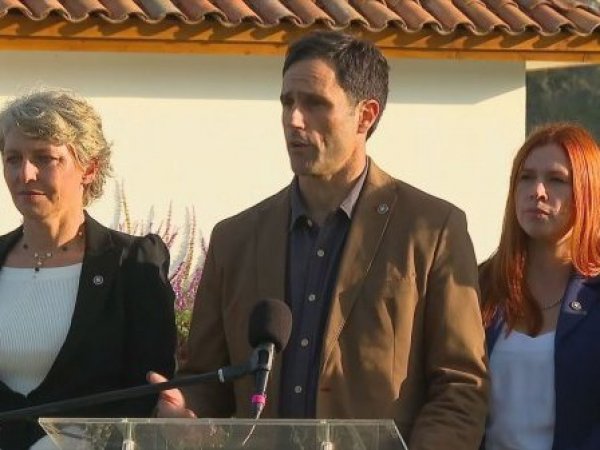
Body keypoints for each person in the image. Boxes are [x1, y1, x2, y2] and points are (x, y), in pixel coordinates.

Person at [152, 31, 488, 449]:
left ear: (365, 116)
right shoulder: (234, 239)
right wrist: (184, 411)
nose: (294, 120)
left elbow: (461, 387)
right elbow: (209, 381)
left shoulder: (432, 229)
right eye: (287, 102)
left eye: (314, 103)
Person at [0, 89, 177, 449]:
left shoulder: (132, 263)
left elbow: (147, 390)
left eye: (44, 158)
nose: (25, 174)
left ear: (89, 168)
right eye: (13, 158)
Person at [479, 123, 600, 449]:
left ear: (587, 190)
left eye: (556, 179)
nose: (538, 191)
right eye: (526, 177)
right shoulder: (478, 287)